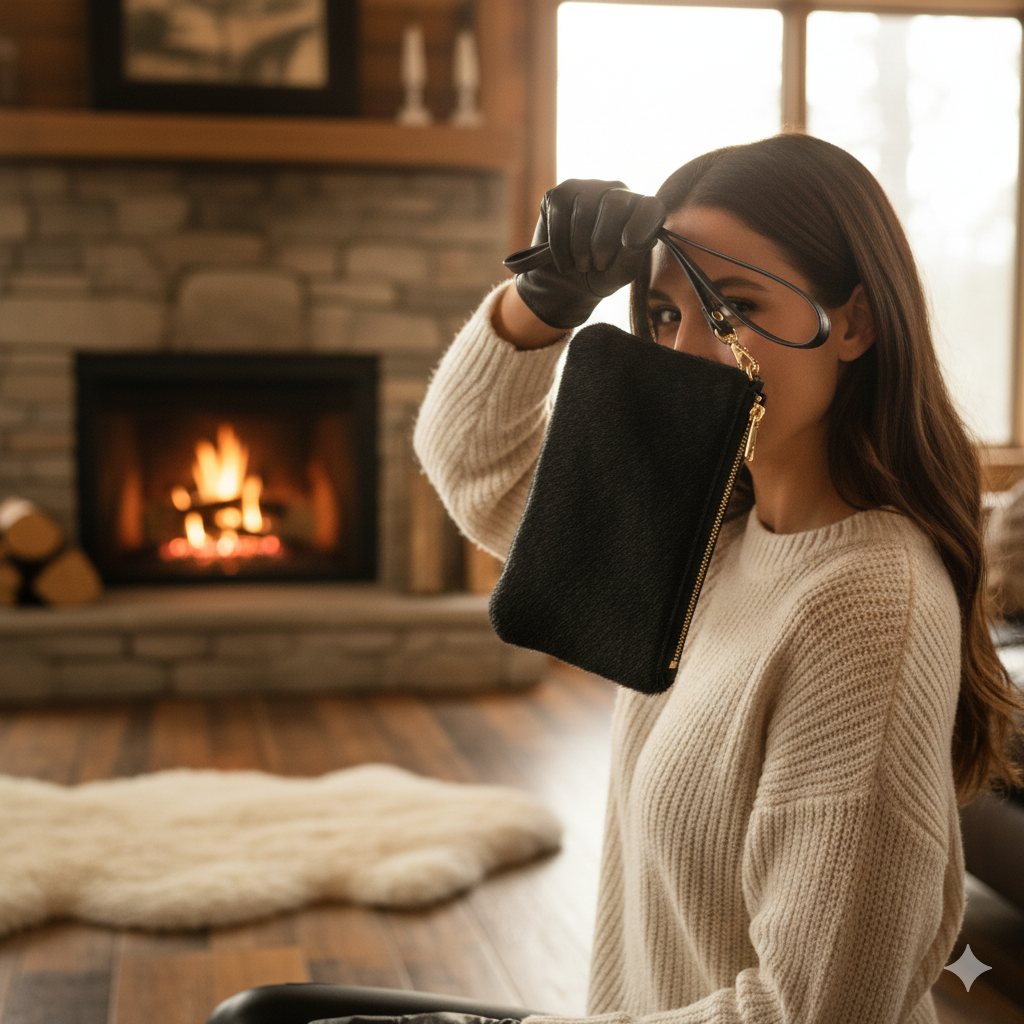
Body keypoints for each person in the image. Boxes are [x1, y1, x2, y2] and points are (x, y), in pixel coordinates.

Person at [207, 134, 1024, 1024]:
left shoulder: (867, 605)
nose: (688, 352)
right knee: (260, 1016)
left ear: (855, 323)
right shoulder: (709, 531)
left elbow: (811, 1014)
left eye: (736, 306)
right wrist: (544, 300)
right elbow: (476, 467)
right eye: (666, 315)